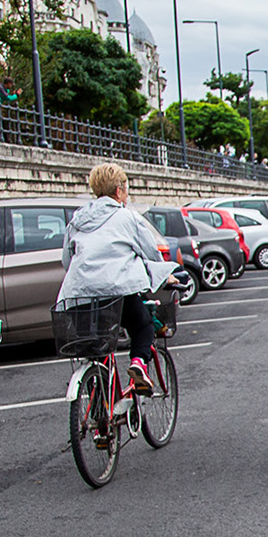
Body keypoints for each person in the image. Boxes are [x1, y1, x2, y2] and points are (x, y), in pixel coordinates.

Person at [57, 163, 168, 395]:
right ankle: (138, 364)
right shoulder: (127, 217)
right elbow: (152, 254)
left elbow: (67, 261)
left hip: (79, 296)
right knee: (143, 324)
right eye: (126, 189)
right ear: (118, 191)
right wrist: (167, 275)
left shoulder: (78, 220)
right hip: (117, 292)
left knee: (97, 349)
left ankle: (101, 410)